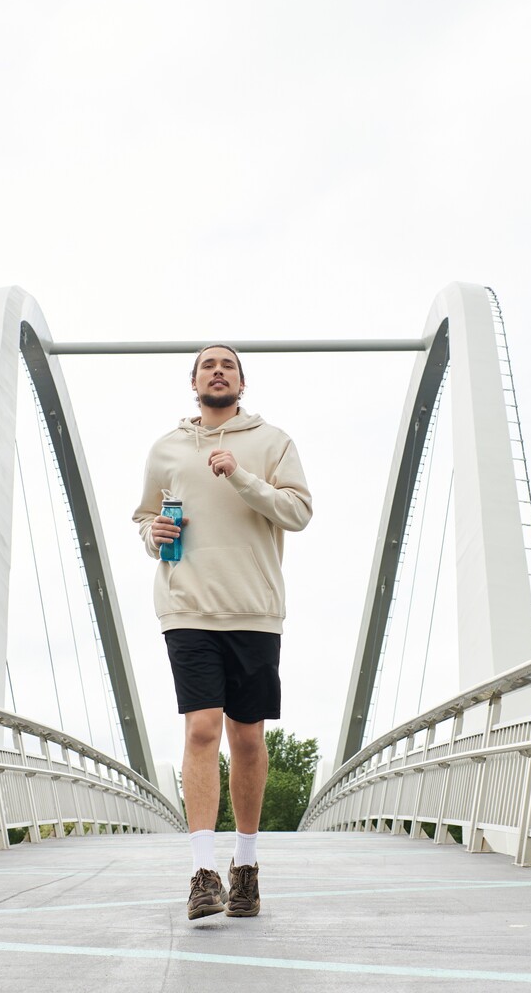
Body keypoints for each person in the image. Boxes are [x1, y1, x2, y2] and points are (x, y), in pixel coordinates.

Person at [133, 344, 312, 920]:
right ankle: (203, 872)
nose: (217, 371)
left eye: (227, 364)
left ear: (241, 381)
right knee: (202, 729)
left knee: (248, 738)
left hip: (253, 607)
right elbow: (145, 516)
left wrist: (240, 476)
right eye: (207, 365)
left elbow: (298, 512)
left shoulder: (272, 442)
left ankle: (247, 867)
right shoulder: (166, 447)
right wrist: (153, 534)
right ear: (193, 382)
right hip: (186, 607)